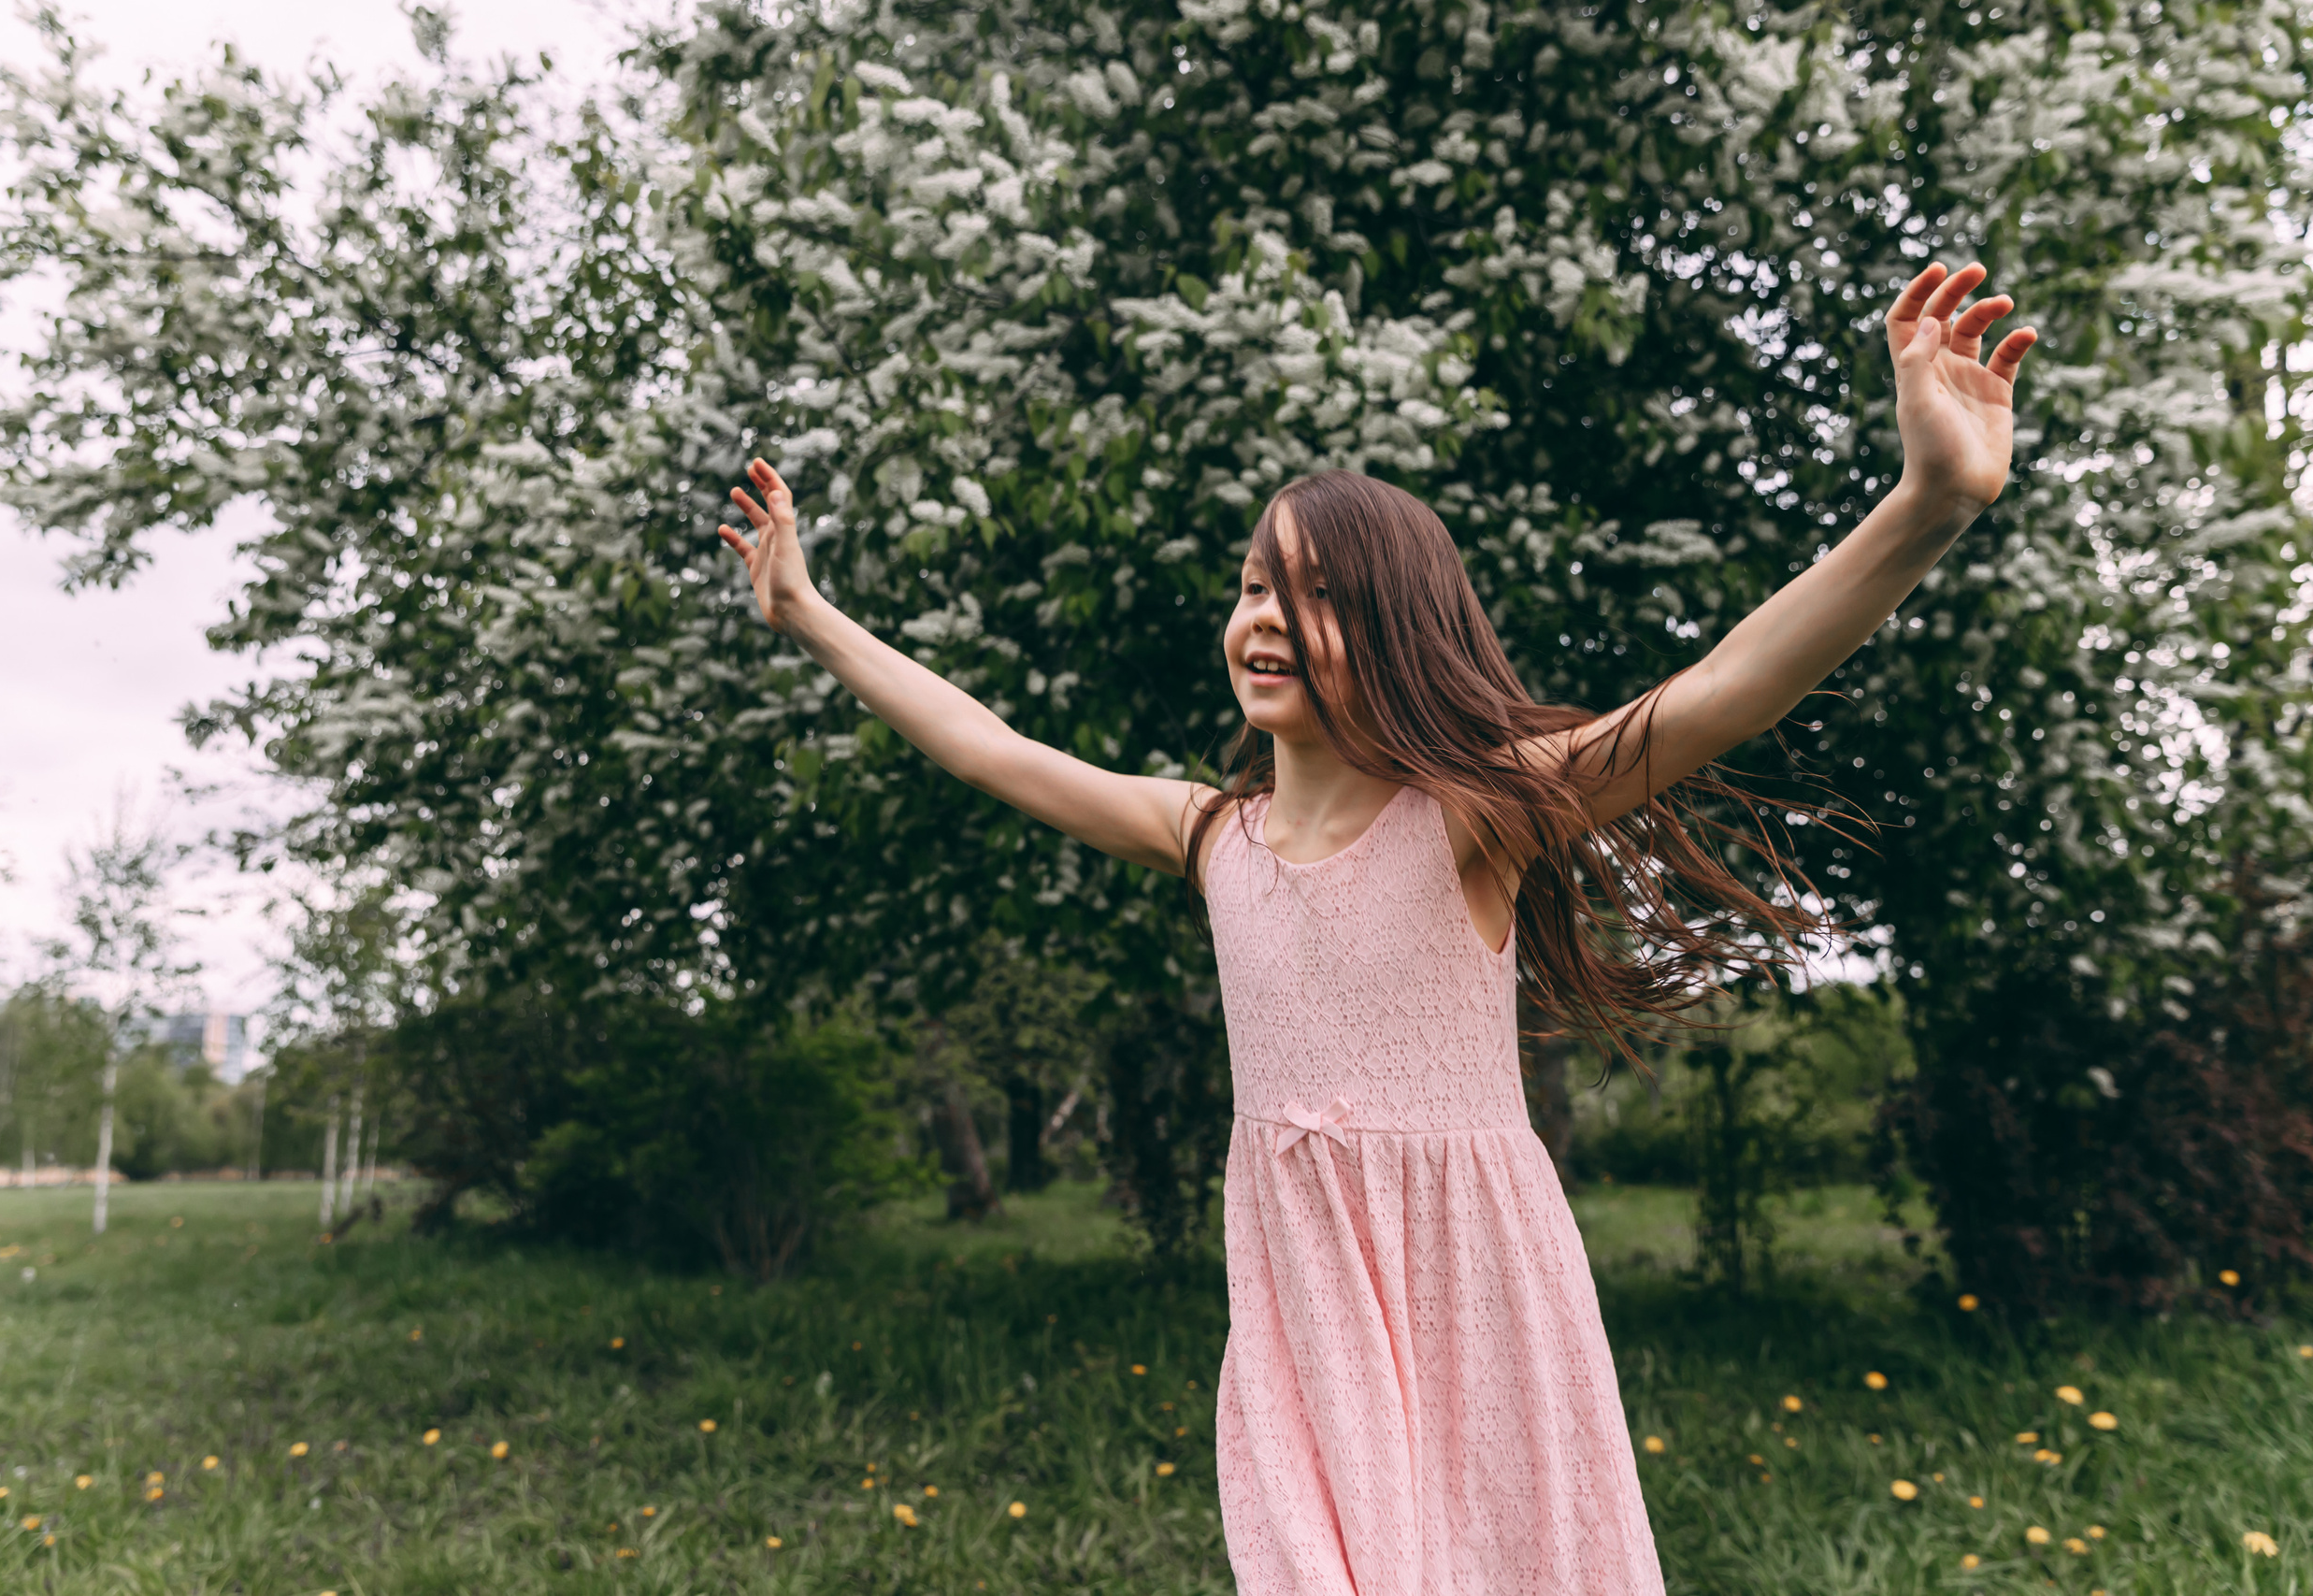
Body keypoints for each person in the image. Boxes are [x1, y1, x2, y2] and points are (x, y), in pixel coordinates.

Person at [716, 260, 2035, 1594]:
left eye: (1322, 598)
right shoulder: (1209, 834)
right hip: (1306, 1322)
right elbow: (986, 742)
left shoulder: (1480, 817)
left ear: (1400, 630)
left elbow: (1723, 691)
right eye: (1254, 588)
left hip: (1474, 1300)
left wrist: (1926, 504)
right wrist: (811, 615)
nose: (1268, 620)